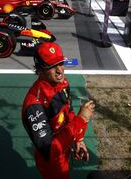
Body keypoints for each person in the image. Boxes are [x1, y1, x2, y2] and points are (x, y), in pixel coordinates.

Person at [21, 42, 95, 179]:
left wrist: (78, 138)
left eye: (61, 63)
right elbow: (50, 152)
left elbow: (69, 110)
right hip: (52, 161)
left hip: (65, 146)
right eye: (52, 66)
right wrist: (81, 120)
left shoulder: (63, 82)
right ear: (39, 70)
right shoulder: (33, 106)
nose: (60, 71)